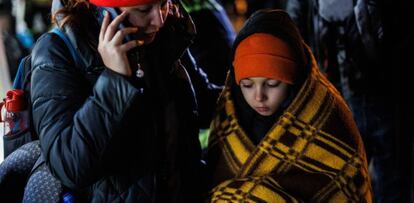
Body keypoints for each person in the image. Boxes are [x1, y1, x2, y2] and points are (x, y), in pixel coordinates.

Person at [21, 0, 217, 201]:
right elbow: (69, 165)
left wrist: (244, 80)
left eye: (164, 4)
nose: (158, 20)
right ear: (106, 11)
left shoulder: (163, 36)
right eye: (143, 10)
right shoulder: (57, 50)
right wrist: (115, 80)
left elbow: (204, 107)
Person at [205, 9, 372, 202]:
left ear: (294, 78)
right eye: (247, 85)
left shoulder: (330, 119)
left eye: (272, 84)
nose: (259, 96)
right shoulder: (229, 112)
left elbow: (346, 190)